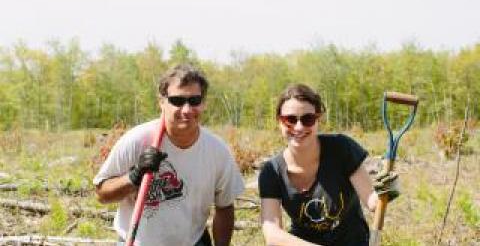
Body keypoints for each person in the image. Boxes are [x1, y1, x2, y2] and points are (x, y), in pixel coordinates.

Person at [94, 63, 245, 246]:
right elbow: (102, 194)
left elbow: (225, 206)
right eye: (177, 101)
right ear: (162, 102)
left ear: (203, 103)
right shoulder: (137, 141)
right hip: (137, 242)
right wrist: (134, 176)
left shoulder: (217, 151)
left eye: (194, 101)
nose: (187, 110)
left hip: (191, 241)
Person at [258, 84, 399, 246]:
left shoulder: (341, 149)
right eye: (290, 119)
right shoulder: (272, 172)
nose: (299, 127)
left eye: (308, 119)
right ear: (279, 121)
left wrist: (388, 190)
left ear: (318, 120)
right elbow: (273, 235)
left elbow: (372, 202)